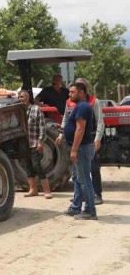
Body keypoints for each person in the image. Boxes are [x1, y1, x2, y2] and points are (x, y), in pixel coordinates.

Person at [56, 77, 105, 205]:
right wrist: (61, 134)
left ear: (84, 90)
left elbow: (100, 122)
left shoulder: (94, 102)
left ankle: (97, 194)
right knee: (76, 171)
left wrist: (98, 139)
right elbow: (65, 119)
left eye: (80, 86)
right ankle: (80, 196)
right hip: (75, 142)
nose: (72, 92)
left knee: (93, 168)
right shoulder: (70, 102)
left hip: (89, 140)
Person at [62, 82, 97, 220]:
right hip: (80, 147)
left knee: (84, 180)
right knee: (77, 178)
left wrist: (74, 150)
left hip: (81, 148)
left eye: (72, 92)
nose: (69, 94)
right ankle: (76, 207)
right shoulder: (80, 106)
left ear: (81, 92)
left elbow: (80, 129)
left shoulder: (82, 107)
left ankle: (90, 211)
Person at [18, 90, 52, 198]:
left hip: (34, 142)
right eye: (19, 97)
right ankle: (33, 190)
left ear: (28, 98)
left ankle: (47, 191)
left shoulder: (36, 109)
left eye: (22, 97)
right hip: (24, 143)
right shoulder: (18, 111)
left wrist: (40, 141)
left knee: (37, 165)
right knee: (28, 166)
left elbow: (42, 126)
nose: (20, 99)